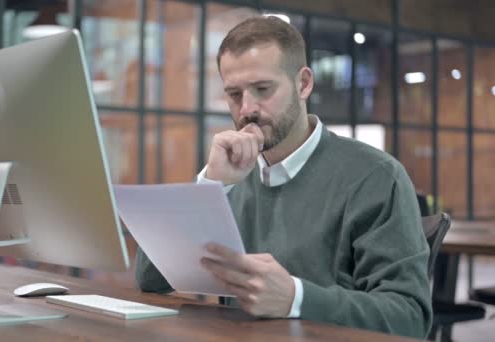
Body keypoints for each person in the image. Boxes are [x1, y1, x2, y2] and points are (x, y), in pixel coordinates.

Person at [135, 17, 431, 339]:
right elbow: (150, 279)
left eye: (262, 89)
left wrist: (296, 298)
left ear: (303, 84)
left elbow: (409, 318)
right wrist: (211, 186)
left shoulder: (374, 176)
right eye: (234, 94)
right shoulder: (231, 174)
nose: (247, 108)